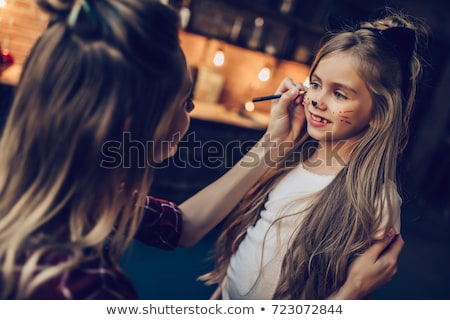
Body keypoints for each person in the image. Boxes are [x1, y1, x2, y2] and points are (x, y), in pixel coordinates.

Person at [0, 0, 404, 299]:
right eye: (184, 103)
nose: (317, 99)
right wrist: (350, 293)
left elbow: (181, 226)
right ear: (130, 126)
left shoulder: (70, 196)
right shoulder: (88, 291)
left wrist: (273, 144)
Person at [200, 9, 427, 299]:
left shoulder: (377, 200)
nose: (317, 100)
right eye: (316, 84)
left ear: (380, 114)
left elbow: (357, 288)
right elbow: (256, 242)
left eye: (340, 94)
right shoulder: (290, 161)